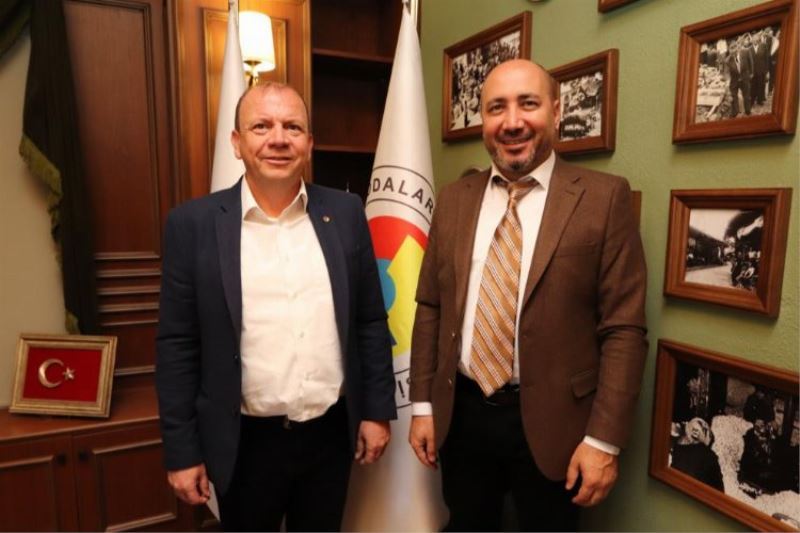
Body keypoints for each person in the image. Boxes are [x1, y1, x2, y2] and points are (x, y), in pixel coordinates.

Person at [408, 59, 648, 531]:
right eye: (497, 107)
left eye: (528, 104)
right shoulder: (454, 199)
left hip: (558, 424)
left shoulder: (603, 199)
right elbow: (431, 306)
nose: (512, 121)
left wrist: (603, 441)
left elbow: (624, 329)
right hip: (464, 413)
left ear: (556, 111)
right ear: (483, 119)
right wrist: (422, 406)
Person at [155, 82, 397, 532]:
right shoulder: (192, 225)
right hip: (243, 443)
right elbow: (177, 346)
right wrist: (182, 451)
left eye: (293, 127)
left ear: (309, 143)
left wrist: (376, 411)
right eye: (261, 126)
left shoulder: (346, 213)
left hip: (330, 436)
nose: (279, 139)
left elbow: (369, 320)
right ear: (237, 142)